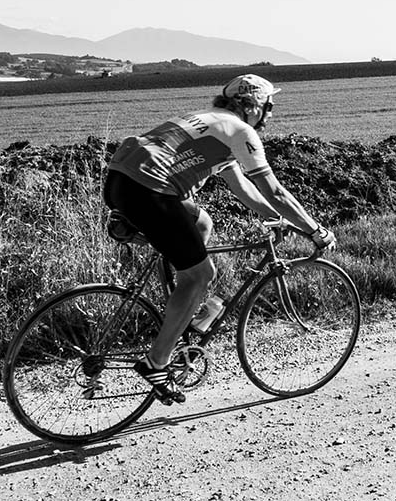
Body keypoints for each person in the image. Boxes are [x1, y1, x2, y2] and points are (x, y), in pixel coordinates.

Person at [102, 73, 335, 404]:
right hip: (149, 190)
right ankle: (157, 361)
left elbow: (244, 188)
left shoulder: (215, 124)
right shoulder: (241, 130)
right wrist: (315, 230)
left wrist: (273, 218)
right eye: (268, 106)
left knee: (202, 224)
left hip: (121, 180)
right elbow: (274, 190)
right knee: (203, 274)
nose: (270, 113)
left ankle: (186, 311)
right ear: (251, 106)